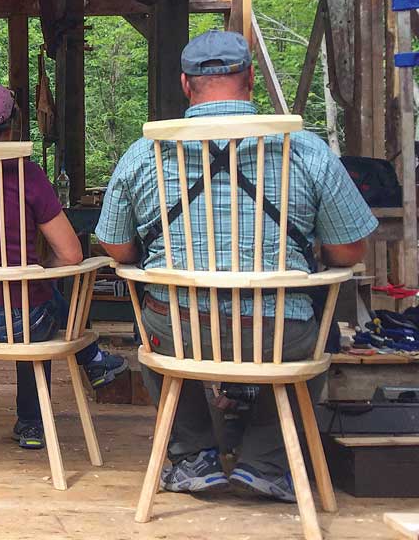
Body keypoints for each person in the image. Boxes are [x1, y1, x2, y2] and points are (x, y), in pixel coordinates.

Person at [96, 30, 374, 502]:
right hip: (278, 332)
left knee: (160, 337)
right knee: (314, 338)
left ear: (186, 85)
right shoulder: (304, 148)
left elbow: (116, 249)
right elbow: (350, 252)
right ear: (249, 79)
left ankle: (191, 455)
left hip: (181, 327)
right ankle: (265, 460)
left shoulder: (145, 152)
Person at [0, 82, 129, 450]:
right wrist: (39, 265)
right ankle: (36, 420)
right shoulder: (26, 174)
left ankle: (88, 364)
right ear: (11, 127)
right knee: (37, 299)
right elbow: (71, 254)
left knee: (34, 296)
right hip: (21, 321)